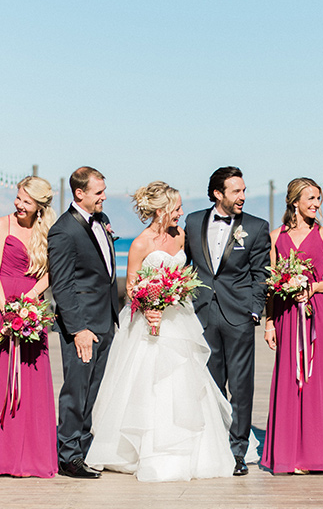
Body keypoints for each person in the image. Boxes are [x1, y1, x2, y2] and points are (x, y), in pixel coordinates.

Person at [87, 182, 235, 481]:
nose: (181, 213)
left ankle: (193, 452)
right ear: (161, 210)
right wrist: (147, 303)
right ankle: (145, 451)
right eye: (177, 208)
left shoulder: (180, 235)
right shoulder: (141, 243)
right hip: (148, 323)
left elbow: (186, 272)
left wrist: (175, 292)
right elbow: (130, 287)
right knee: (149, 383)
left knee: (185, 381)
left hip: (179, 319)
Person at [0, 177, 58, 477]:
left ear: (39, 206)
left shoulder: (48, 232)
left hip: (32, 307)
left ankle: (30, 457)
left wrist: (30, 301)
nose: (19, 205)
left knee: (32, 379)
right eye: (18, 198)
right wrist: (8, 310)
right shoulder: (1, 225)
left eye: (26, 202)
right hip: (0, 305)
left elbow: (51, 274)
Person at [184, 166, 271, 476]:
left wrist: (254, 310)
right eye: (236, 191)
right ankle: (213, 446)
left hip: (239, 316)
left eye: (244, 190)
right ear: (218, 193)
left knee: (241, 386)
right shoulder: (193, 222)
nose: (243, 197)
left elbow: (262, 275)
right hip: (202, 314)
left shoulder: (258, 227)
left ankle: (237, 450)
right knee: (208, 384)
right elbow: (185, 265)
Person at [261, 178, 323, 474]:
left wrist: (313, 287)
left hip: (317, 313)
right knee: (289, 380)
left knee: (316, 378)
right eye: (310, 198)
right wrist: (269, 323)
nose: (315, 204)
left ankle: (318, 454)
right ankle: (290, 456)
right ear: (294, 201)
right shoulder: (276, 237)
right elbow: (272, 286)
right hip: (286, 315)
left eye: (318, 199)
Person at [48, 167, 119, 479]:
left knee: (94, 392)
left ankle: (85, 450)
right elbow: (62, 286)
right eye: (98, 192)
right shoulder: (63, 231)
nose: (104, 196)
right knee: (76, 391)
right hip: (83, 326)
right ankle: (68, 456)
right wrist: (78, 329)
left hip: (105, 319)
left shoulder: (101, 222)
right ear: (79, 193)